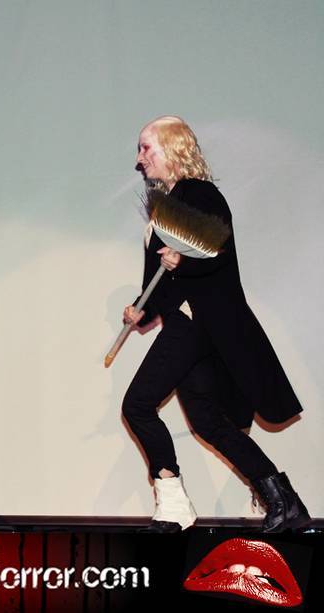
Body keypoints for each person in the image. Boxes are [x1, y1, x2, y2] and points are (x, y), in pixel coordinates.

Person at [121, 116, 309, 533]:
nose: (139, 159)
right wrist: (141, 309)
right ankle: (283, 499)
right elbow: (159, 287)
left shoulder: (199, 194)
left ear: (172, 146)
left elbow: (217, 252)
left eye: (146, 147)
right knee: (207, 420)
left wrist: (182, 261)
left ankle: (174, 503)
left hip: (196, 325)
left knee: (137, 405)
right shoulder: (165, 207)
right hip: (192, 326)